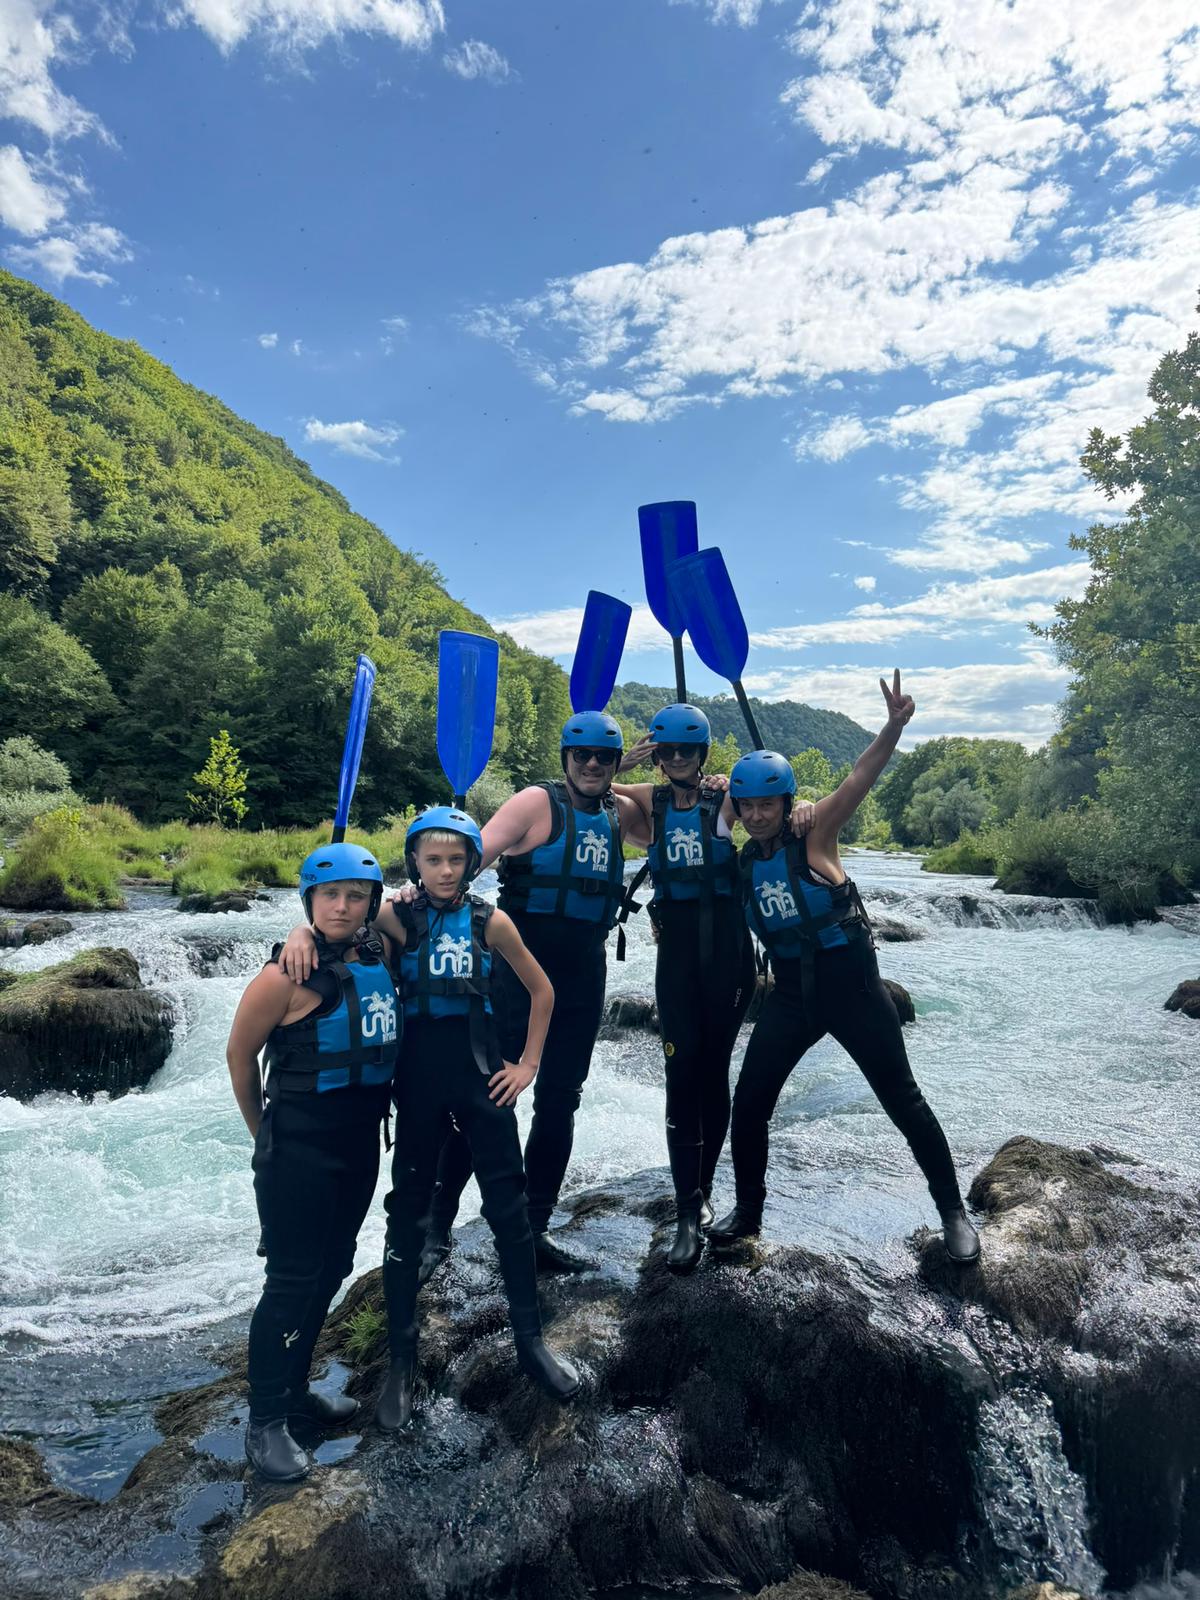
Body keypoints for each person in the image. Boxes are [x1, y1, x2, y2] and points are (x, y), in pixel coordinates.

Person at [281, 712, 648, 1276]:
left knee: (559, 1100)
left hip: (581, 973)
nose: (593, 765)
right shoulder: (534, 803)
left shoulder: (620, 813)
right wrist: (312, 925)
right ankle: (436, 1228)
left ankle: (534, 1228)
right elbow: (473, 851)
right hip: (510, 967)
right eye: (582, 756)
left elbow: (674, 813)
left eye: (605, 756)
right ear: (565, 759)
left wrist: (696, 784)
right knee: (478, 1100)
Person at [707, 671, 980, 1265]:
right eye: (746, 805)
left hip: (853, 989)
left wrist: (893, 726)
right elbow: (692, 825)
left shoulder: (816, 834)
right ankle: (748, 1212)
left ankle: (953, 1212)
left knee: (903, 1100)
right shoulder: (741, 863)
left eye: (767, 804)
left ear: (786, 803)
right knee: (749, 1105)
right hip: (790, 999)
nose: (755, 814)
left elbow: (860, 777)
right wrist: (716, 793)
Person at [375, 805, 579, 1430]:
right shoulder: (396, 916)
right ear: (414, 862)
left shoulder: (491, 921)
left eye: (455, 859)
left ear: (472, 863)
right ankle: (401, 1362)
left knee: (510, 1213)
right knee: (407, 1215)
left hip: (482, 1083)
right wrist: (303, 935)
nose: (443, 870)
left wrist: (528, 1066)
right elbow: (335, 911)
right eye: (432, 860)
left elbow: (543, 992)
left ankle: (531, 1343)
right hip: (416, 1089)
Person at [226, 844, 399, 1482]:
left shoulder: (379, 952)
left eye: (357, 896)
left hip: (357, 1145)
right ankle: (265, 1421)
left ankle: (296, 1394)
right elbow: (239, 1057)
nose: (342, 906)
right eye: (329, 896)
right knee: (292, 1281)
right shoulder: (282, 977)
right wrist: (262, 1135)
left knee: (334, 1266)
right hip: (297, 1147)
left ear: (372, 905)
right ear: (308, 902)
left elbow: (431, 897)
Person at [612, 704, 757, 1273]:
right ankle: (685, 1211)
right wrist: (625, 758)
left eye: (688, 752)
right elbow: (587, 784)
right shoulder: (647, 804)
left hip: (729, 961)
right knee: (681, 1078)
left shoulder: (726, 799)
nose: (676, 760)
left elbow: (777, 798)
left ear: (703, 754)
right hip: (675, 963)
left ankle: (703, 1190)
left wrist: (797, 815)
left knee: (713, 1074)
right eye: (667, 751)